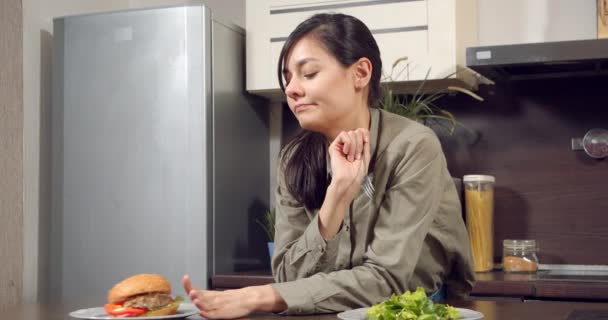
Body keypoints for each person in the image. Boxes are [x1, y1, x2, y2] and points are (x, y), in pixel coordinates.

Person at [182, 13, 475, 319]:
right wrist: (336, 197)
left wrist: (259, 295)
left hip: (409, 311)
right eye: (287, 78)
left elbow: (387, 279)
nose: (292, 89)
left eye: (308, 73)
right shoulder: (292, 159)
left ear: (360, 73)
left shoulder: (413, 146)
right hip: (323, 309)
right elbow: (288, 277)